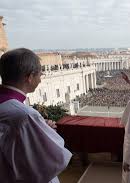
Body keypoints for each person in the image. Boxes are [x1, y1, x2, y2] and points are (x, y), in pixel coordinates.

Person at [0, 48, 72, 183]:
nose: (40, 79)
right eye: (40, 74)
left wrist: (39, 127)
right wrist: (45, 131)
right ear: (30, 77)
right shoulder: (25, 116)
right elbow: (56, 159)